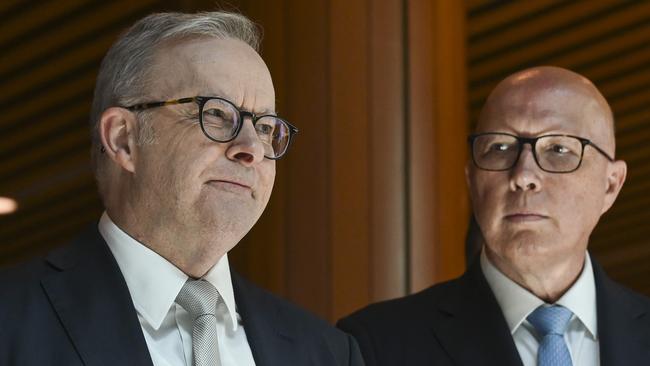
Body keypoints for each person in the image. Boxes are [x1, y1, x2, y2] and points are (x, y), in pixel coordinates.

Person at [0, 11, 363, 366]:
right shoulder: (11, 319)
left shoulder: (328, 352)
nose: (252, 148)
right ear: (124, 140)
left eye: (266, 127)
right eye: (217, 114)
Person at [338, 66, 650, 366]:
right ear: (472, 181)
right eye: (500, 147)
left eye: (558, 149)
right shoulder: (374, 345)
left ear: (611, 185)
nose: (524, 175)